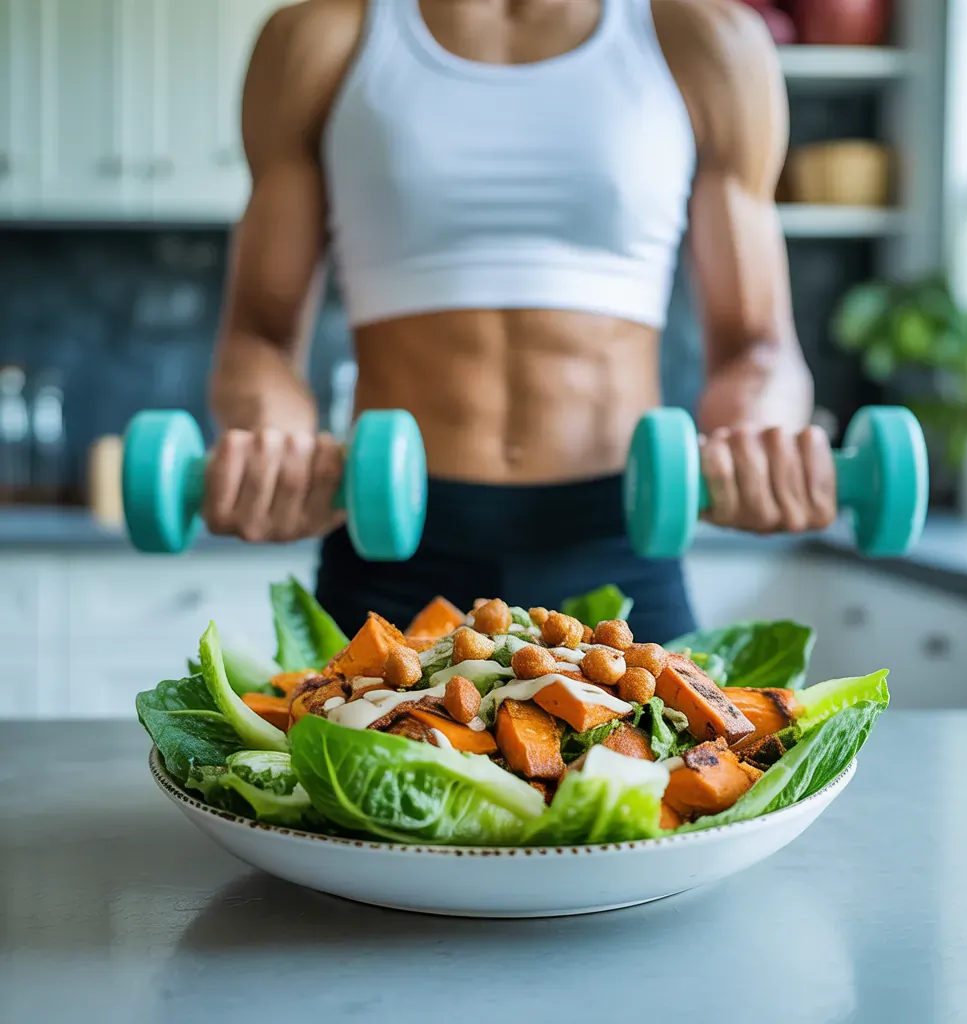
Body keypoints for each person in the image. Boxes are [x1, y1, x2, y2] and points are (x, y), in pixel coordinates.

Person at [205, 0, 837, 643]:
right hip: (389, 549)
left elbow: (758, 346)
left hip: (620, 546)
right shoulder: (319, 39)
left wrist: (758, 437)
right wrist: (272, 440)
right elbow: (258, 336)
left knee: (692, 747)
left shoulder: (707, 40)